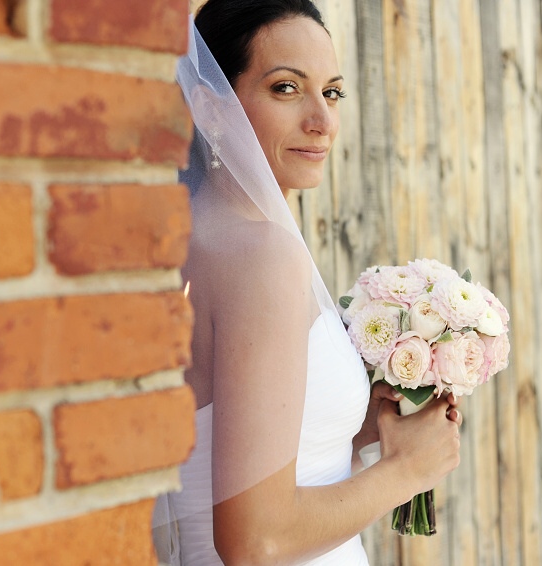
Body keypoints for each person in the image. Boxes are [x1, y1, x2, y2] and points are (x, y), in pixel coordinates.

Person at [153, 1, 464, 564]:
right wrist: (408, 470)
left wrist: (360, 428)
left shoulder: (206, 238)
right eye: (286, 88)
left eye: (332, 92)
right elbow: (256, 540)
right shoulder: (259, 255)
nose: (322, 120)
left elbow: (235, 454)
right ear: (211, 106)